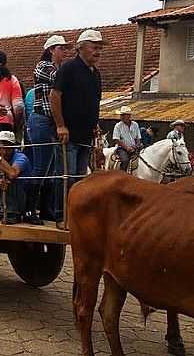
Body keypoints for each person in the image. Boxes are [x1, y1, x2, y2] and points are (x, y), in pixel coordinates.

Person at [49, 29, 105, 222]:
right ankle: (60, 215)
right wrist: (60, 125)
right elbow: (55, 96)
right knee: (67, 176)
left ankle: (75, 215)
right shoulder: (68, 68)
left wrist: (95, 124)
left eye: (99, 48)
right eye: (94, 47)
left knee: (80, 178)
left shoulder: (96, 74)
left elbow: (93, 102)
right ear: (81, 48)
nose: (97, 51)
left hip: (85, 135)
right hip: (68, 134)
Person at [27, 35, 72, 220]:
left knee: (50, 168)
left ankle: (45, 209)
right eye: (61, 49)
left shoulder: (58, 68)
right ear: (52, 49)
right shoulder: (44, 67)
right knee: (41, 167)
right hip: (41, 120)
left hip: (50, 122)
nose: (63, 52)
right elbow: (61, 81)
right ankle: (29, 209)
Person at [112, 106, 142, 172]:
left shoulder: (135, 125)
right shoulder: (118, 126)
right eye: (121, 115)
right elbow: (116, 139)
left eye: (123, 115)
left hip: (134, 147)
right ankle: (122, 175)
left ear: (129, 116)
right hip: (122, 149)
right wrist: (127, 148)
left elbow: (138, 137)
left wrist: (137, 145)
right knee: (125, 160)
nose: (121, 116)